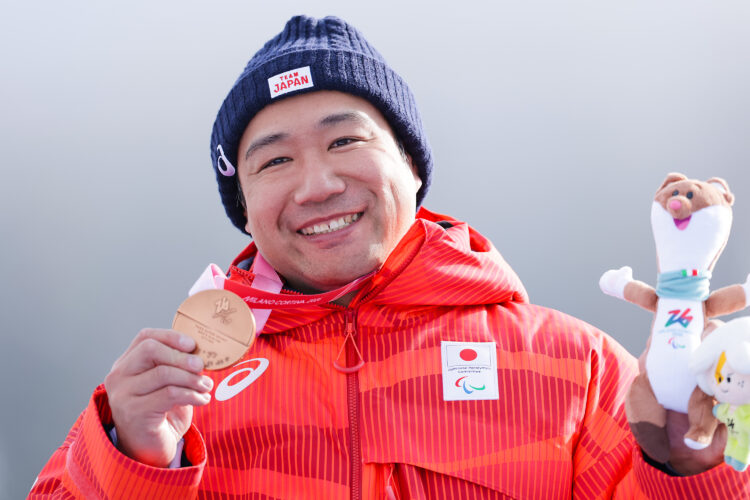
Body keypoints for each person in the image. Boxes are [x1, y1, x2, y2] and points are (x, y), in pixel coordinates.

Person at [30, 15, 750, 499]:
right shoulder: (175, 396)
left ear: (411, 164)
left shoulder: (574, 367)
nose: (317, 184)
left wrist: (691, 468)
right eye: (274, 161)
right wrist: (134, 460)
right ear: (243, 207)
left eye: (345, 141)